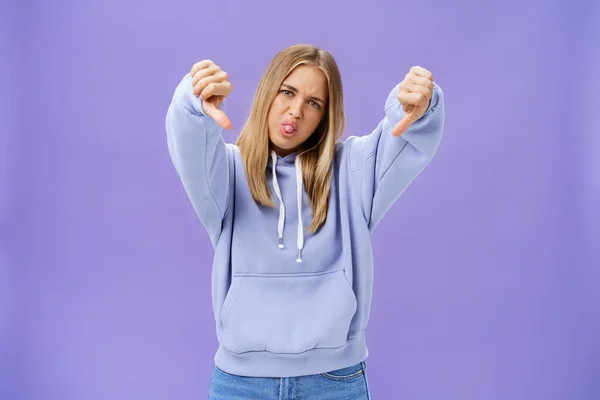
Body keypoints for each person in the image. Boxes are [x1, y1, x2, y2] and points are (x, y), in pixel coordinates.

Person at [165, 44, 445, 399]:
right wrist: (192, 106)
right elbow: (189, 148)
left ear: (325, 116)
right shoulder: (227, 173)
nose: (295, 111)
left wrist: (420, 107)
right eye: (287, 92)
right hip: (241, 384)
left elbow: (405, 136)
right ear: (268, 91)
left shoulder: (351, 171)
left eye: (314, 103)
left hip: (333, 382)